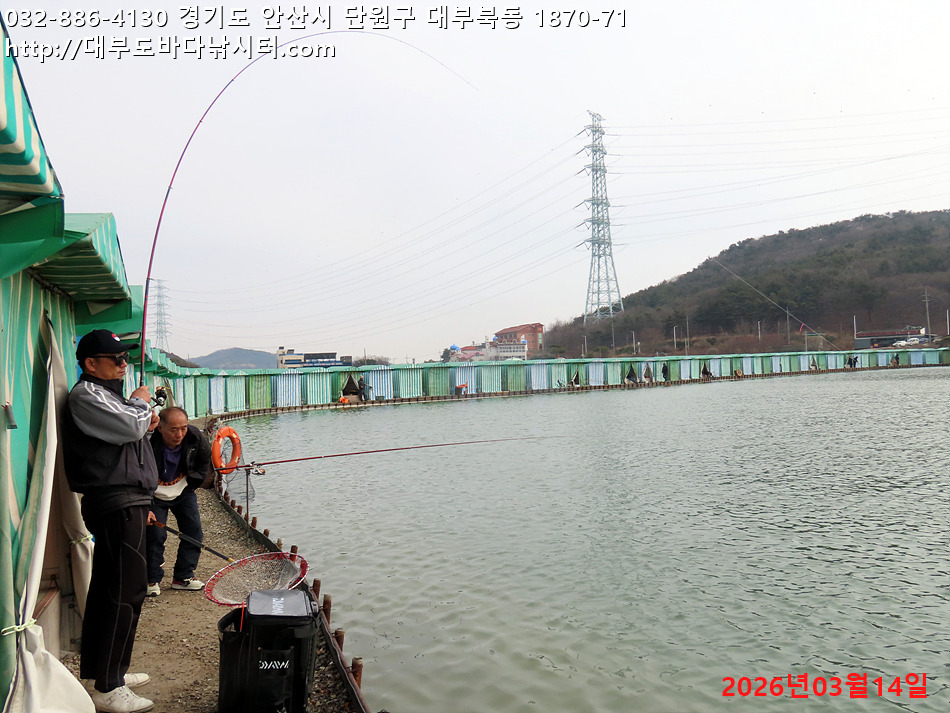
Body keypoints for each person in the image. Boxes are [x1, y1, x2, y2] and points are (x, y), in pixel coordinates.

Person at [61, 330, 159, 713]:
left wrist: (141, 414)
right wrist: (140, 403)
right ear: (90, 363)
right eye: (116, 359)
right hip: (116, 500)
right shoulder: (87, 394)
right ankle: (109, 685)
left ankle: (101, 672)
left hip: (128, 499)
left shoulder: (109, 397)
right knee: (126, 592)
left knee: (108, 590)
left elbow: (134, 426)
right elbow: (133, 425)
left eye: (125, 358)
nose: (123, 364)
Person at [146, 406, 214, 597]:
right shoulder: (147, 442)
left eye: (183, 428)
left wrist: (192, 482)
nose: (179, 434)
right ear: (160, 428)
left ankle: (183, 576)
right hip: (154, 495)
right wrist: (143, 504)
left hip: (183, 490)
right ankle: (151, 579)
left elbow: (204, 462)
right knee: (155, 535)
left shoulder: (194, 437)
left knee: (194, 531)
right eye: (173, 429)